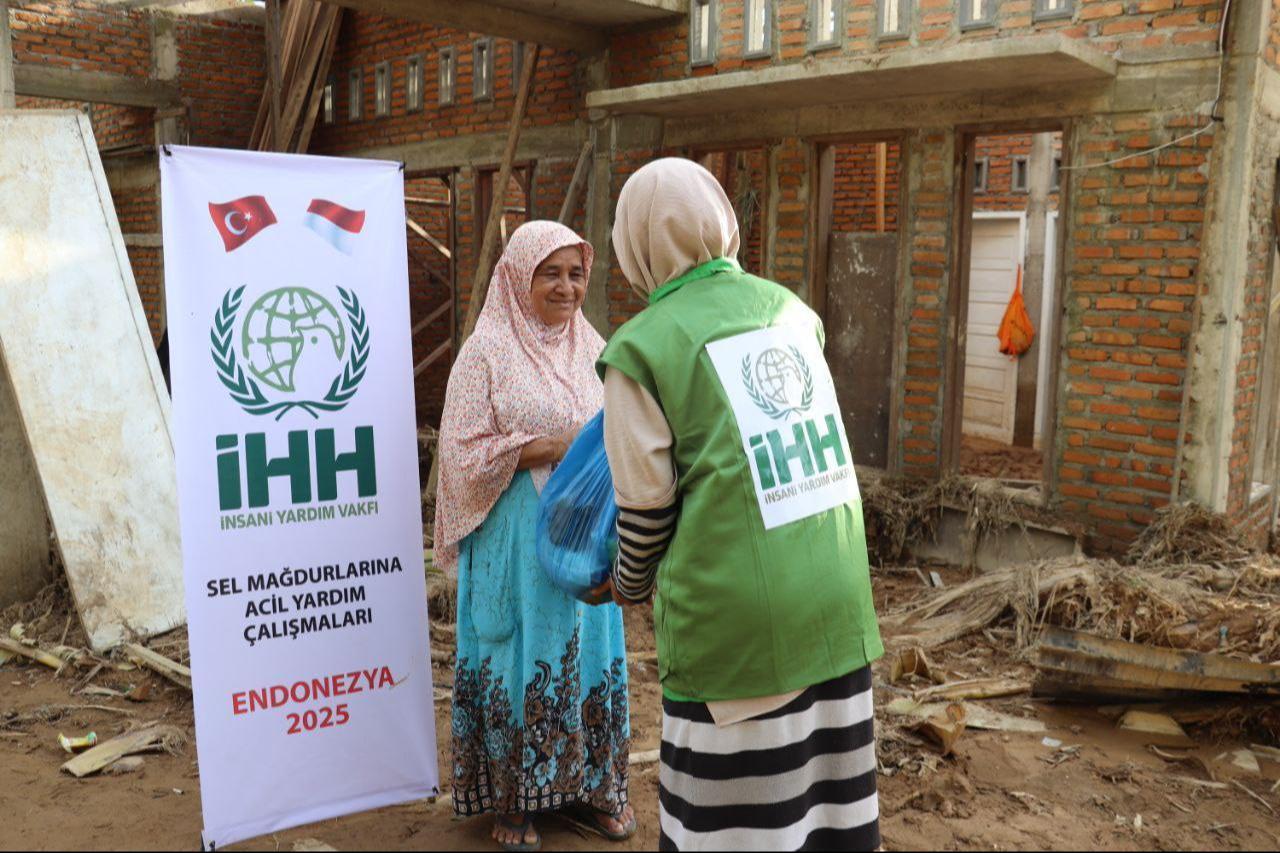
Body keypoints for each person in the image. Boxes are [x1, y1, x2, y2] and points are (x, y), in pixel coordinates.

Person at [597, 159, 884, 851]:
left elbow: (645, 511)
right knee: (826, 814)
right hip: (836, 606)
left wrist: (624, 585)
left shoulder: (638, 349)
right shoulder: (791, 312)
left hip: (739, 631)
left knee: (733, 829)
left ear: (634, 242)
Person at [435, 221, 636, 852]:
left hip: (582, 536)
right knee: (517, 653)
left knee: (589, 648)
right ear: (520, 276)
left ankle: (597, 788)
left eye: (576, 273)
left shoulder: (591, 346)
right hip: (513, 543)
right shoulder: (486, 352)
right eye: (551, 272)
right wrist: (543, 447)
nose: (567, 287)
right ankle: (516, 799)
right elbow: (458, 454)